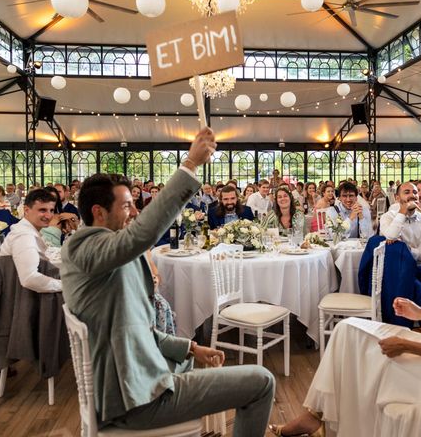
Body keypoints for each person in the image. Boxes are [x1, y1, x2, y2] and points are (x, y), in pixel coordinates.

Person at [60, 128, 275, 435]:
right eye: (126, 206)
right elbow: (141, 235)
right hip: (136, 398)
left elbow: (134, 327)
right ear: (98, 212)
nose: (135, 212)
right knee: (261, 382)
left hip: (142, 380)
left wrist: (189, 347)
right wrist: (190, 164)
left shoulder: (101, 251)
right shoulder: (83, 248)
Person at [271, 194, 421, 437]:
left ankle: (323, 421)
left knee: (362, 357)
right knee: (346, 331)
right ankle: (315, 416)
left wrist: (407, 345)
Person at [0, 189, 63, 293]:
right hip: (21, 296)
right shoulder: (24, 235)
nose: (49, 216)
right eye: (42, 210)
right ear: (26, 210)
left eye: (51, 210)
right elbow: (29, 279)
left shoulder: (27, 230)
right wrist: (66, 286)